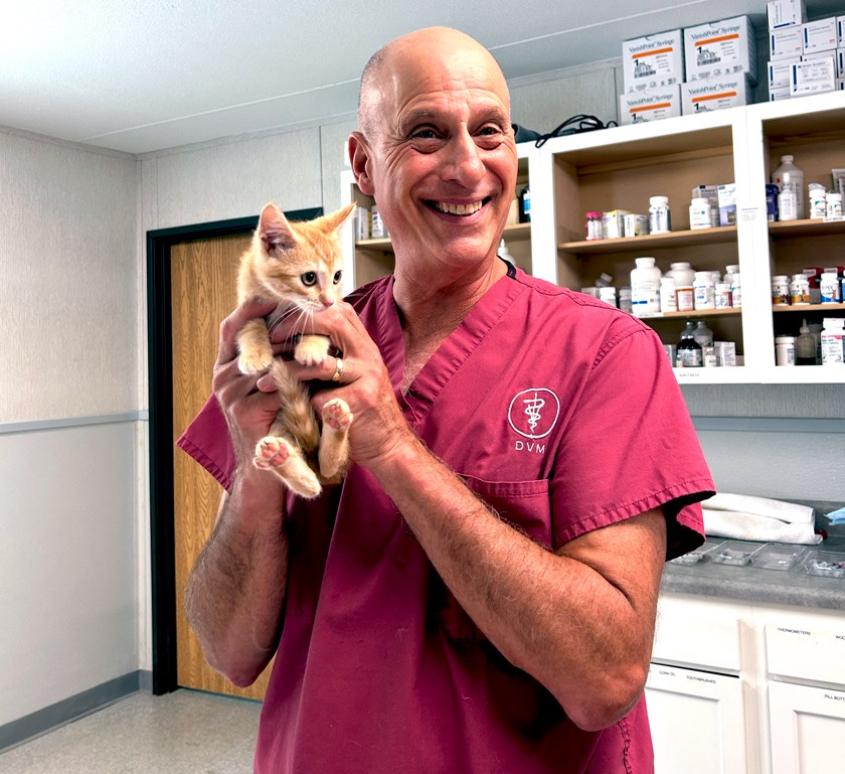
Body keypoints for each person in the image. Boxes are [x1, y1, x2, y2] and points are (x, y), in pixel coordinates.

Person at [179, 26, 715, 773]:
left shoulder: (607, 353)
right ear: (364, 165)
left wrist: (394, 448)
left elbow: (604, 680)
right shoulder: (304, 345)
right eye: (425, 134)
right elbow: (227, 649)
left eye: (489, 132)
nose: (467, 167)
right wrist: (252, 471)